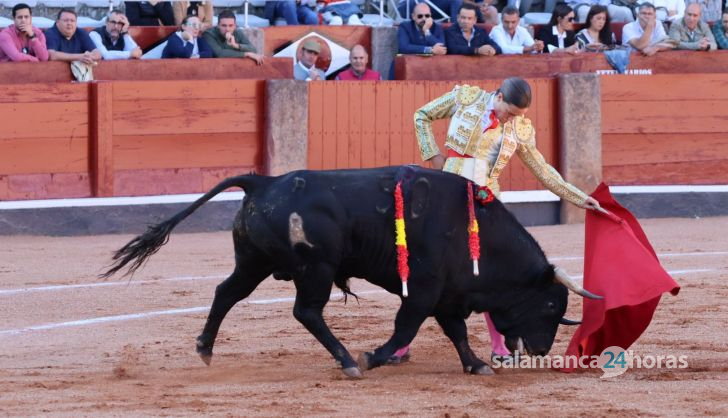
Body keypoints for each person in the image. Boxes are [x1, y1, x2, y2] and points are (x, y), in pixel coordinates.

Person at [387, 78, 602, 365]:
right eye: (510, 112)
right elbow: (421, 115)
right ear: (498, 96)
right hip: (446, 193)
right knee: (430, 269)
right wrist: (433, 155)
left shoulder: (520, 127)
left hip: (487, 202)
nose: (511, 119)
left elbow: (542, 168)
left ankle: (500, 348)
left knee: (492, 273)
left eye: (518, 115)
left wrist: (578, 197)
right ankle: (400, 346)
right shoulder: (465, 98)